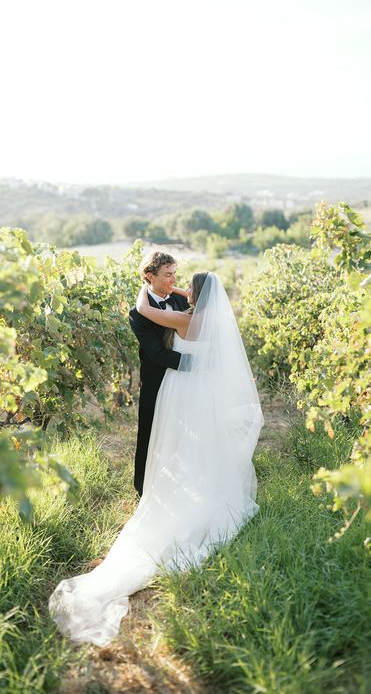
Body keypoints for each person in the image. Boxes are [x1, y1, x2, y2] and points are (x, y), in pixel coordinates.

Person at [48, 271, 264, 646]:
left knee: (179, 447)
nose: (181, 288)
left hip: (183, 392)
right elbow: (192, 298)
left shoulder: (183, 319)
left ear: (197, 294)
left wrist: (144, 288)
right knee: (202, 448)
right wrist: (189, 290)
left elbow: (144, 309)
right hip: (204, 395)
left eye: (188, 286)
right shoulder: (210, 320)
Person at [128, 252, 189, 496]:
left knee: (185, 434)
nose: (173, 279)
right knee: (149, 435)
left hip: (187, 382)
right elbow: (156, 353)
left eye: (174, 273)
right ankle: (143, 491)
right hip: (156, 381)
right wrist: (194, 363)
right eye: (167, 275)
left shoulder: (182, 301)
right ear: (149, 276)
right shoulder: (138, 313)